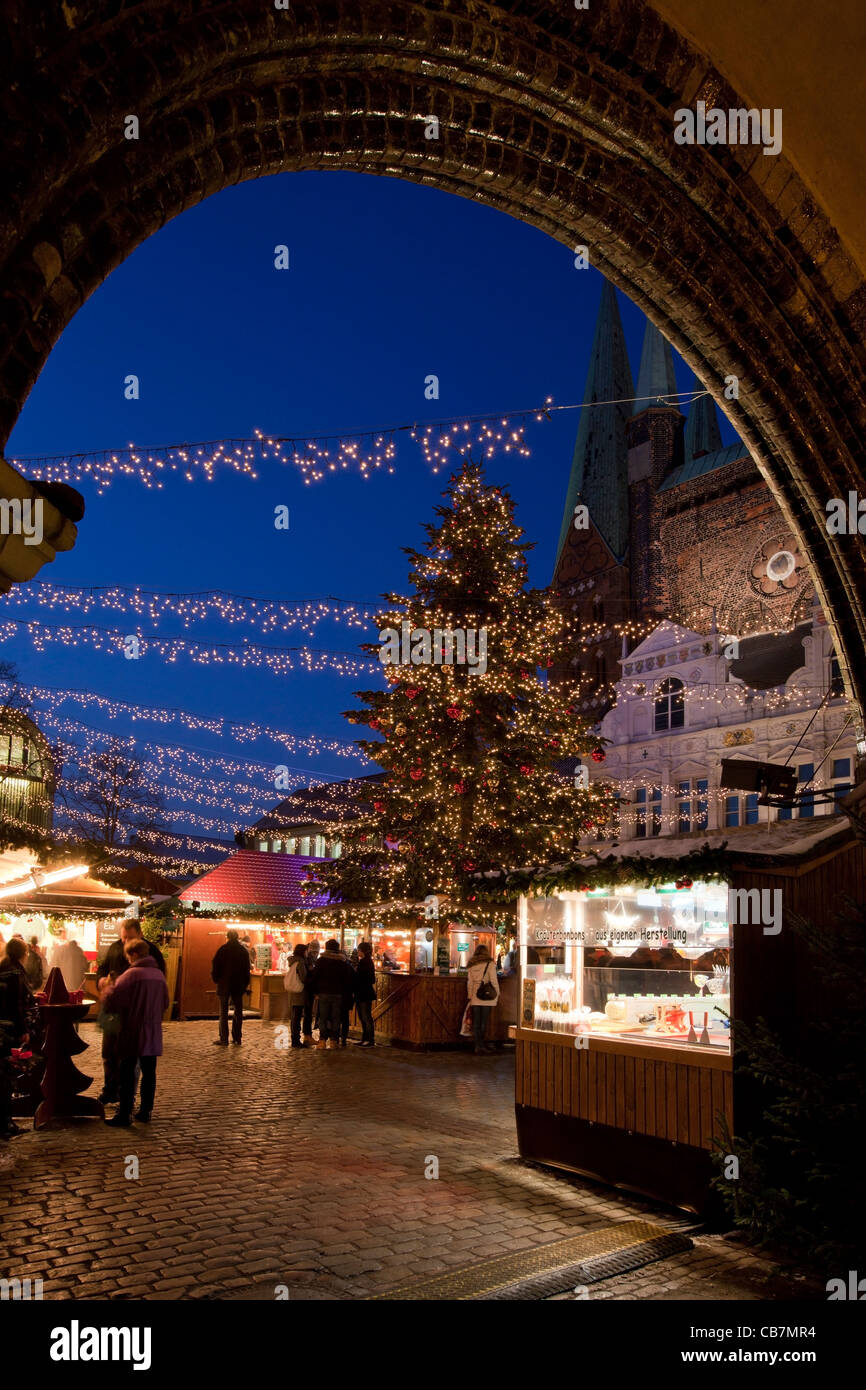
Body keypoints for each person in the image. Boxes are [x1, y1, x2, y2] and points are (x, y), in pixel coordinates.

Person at [102, 939, 169, 1126]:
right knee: (149, 1072)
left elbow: (112, 1002)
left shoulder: (130, 975)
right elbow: (165, 1003)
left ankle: (124, 1113)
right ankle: (145, 1111)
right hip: (153, 1031)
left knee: (127, 1071)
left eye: (128, 956)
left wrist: (109, 986)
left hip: (131, 1031)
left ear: (134, 954)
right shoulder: (158, 975)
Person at [0, 938, 39, 1139]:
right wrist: (23, 1028)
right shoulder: (15, 972)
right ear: (23, 953)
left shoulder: (4, 967)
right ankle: (5, 1122)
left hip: (4, 1028)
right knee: (8, 1074)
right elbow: (16, 1005)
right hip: (10, 1030)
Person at [308, 939, 354, 1050]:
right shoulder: (342, 962)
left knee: (323, 1017)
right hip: (338, 994)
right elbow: (347, 979)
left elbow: (315, 977)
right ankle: (334, 1041)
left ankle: (322, 1040)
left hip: (323, 993)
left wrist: (314, 991)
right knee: (336, 1017)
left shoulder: (321, 961)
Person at [211, 928, 251, 1046]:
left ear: (227, 937)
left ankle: (224, 1038)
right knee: (238, 1011)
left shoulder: (223, 950)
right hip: (238, 985)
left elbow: (215, 966)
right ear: (237, 937)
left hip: (224, 984)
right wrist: (245, 984)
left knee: (223, 1012)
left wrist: (216, 979)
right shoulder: (243, 951)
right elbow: (246, 969)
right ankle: (237, 1037)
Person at [97, 920, 165, 983]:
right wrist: (101, 981)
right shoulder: (114, 947)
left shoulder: (152, 951)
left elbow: (160, 976)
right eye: (124, 937)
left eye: (131, 938)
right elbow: (103, 968)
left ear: (140, 934)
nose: (127, 942)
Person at [466, 943, 500, 1055]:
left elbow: (469, 982)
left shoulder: (471, 965)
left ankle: (477, 1045)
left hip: (475, 995)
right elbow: (494, 980)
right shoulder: (490, 964)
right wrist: (497, 993)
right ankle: (482, 1045)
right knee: (483, 1022)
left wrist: (470, 996)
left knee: (476, 1022)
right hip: (487, 995)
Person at [283, 943, 309, 1048]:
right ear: (303, 952)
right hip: (299, 993)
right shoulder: (301, 963)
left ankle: (294, 1038)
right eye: (306, 951)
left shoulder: (293, 962)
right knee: (297, 1017)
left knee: (294, 1016)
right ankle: (296, 1040)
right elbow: (304, 978)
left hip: (292, 993)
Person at [354, 940, 376, 1047]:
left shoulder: (364, 962)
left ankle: (369, 1039)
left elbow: (370, 979)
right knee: (364, 1017)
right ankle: (365, 1039)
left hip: (364, 993)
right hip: (364, 992)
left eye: (358, 950)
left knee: (365, 1017)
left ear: (362, 951)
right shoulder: (366, 961)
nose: (357, 952)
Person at [302, 939, 321, 1042]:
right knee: (308, 1013)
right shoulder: (309, 960)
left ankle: (307, 1035)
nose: (316, 954)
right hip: (308, 990)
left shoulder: (311, 959)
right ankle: (307, 1035)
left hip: (309, 990)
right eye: (314, 951)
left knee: (308, 1014)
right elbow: (309, 977)